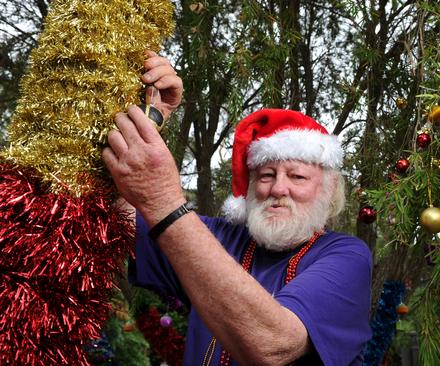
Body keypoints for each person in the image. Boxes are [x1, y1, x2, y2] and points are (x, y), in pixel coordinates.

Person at [102, 52, 373, 365]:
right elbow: (118, 211)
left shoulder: (346, 255)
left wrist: (165, 200)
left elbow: (273, 345)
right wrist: (151, 119)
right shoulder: (216, 236)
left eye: (297, 176)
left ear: (328, 191)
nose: (278, 188)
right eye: (267, 175)